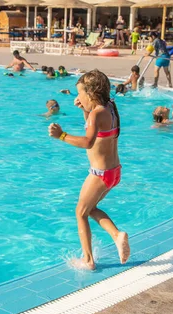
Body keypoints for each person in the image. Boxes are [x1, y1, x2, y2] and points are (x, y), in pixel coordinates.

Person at [47, 69, 130, 271]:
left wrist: (62, 136)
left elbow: (88, 142)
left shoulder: (95, 114)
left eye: (80, 93)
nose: (78, 98)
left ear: (91, 92)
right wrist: (84, 110)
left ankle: (88, 260)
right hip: (114, 172)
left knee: (80, 212)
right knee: (90, 209)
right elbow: (97, 128)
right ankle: (117, 236)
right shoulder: (110, 107)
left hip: (100, 174)